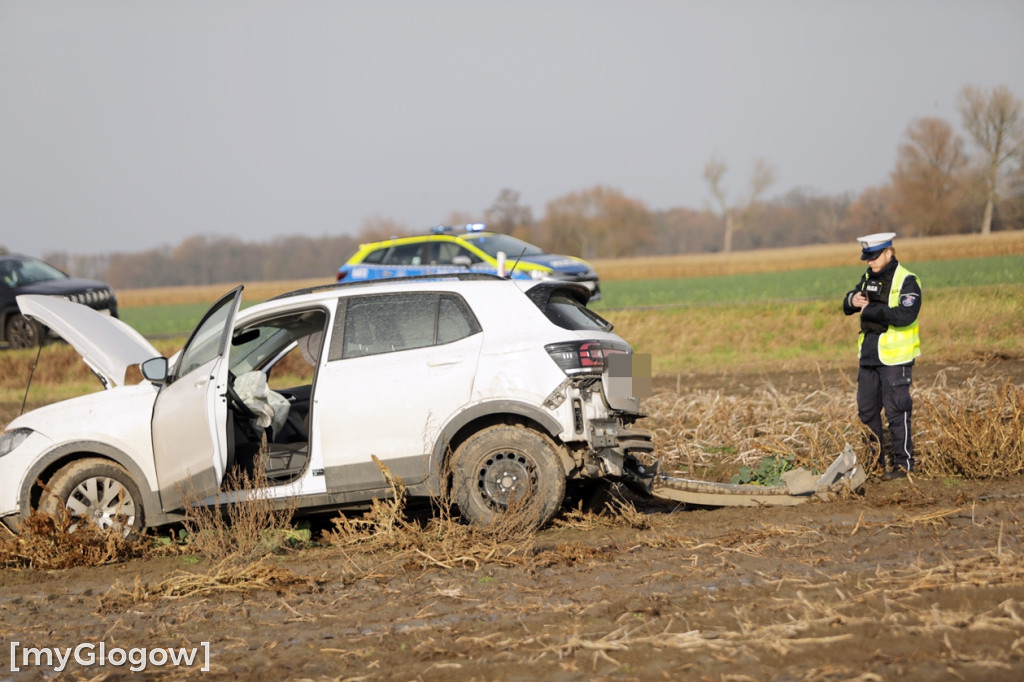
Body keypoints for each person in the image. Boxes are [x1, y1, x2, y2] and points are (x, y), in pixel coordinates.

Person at [842, 232, 921, 480]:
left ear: (889, 252)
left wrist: (871, 310)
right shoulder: (868, 277)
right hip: (868, 358)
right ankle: (875, 466)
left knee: (897, 411)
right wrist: (851, 300)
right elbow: (849, 303)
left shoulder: (907, 280)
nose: (870, 262)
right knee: (867, 413)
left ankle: (904, 467)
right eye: (867, 257)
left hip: (895, 359)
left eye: (874, 257)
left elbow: (904, 315)